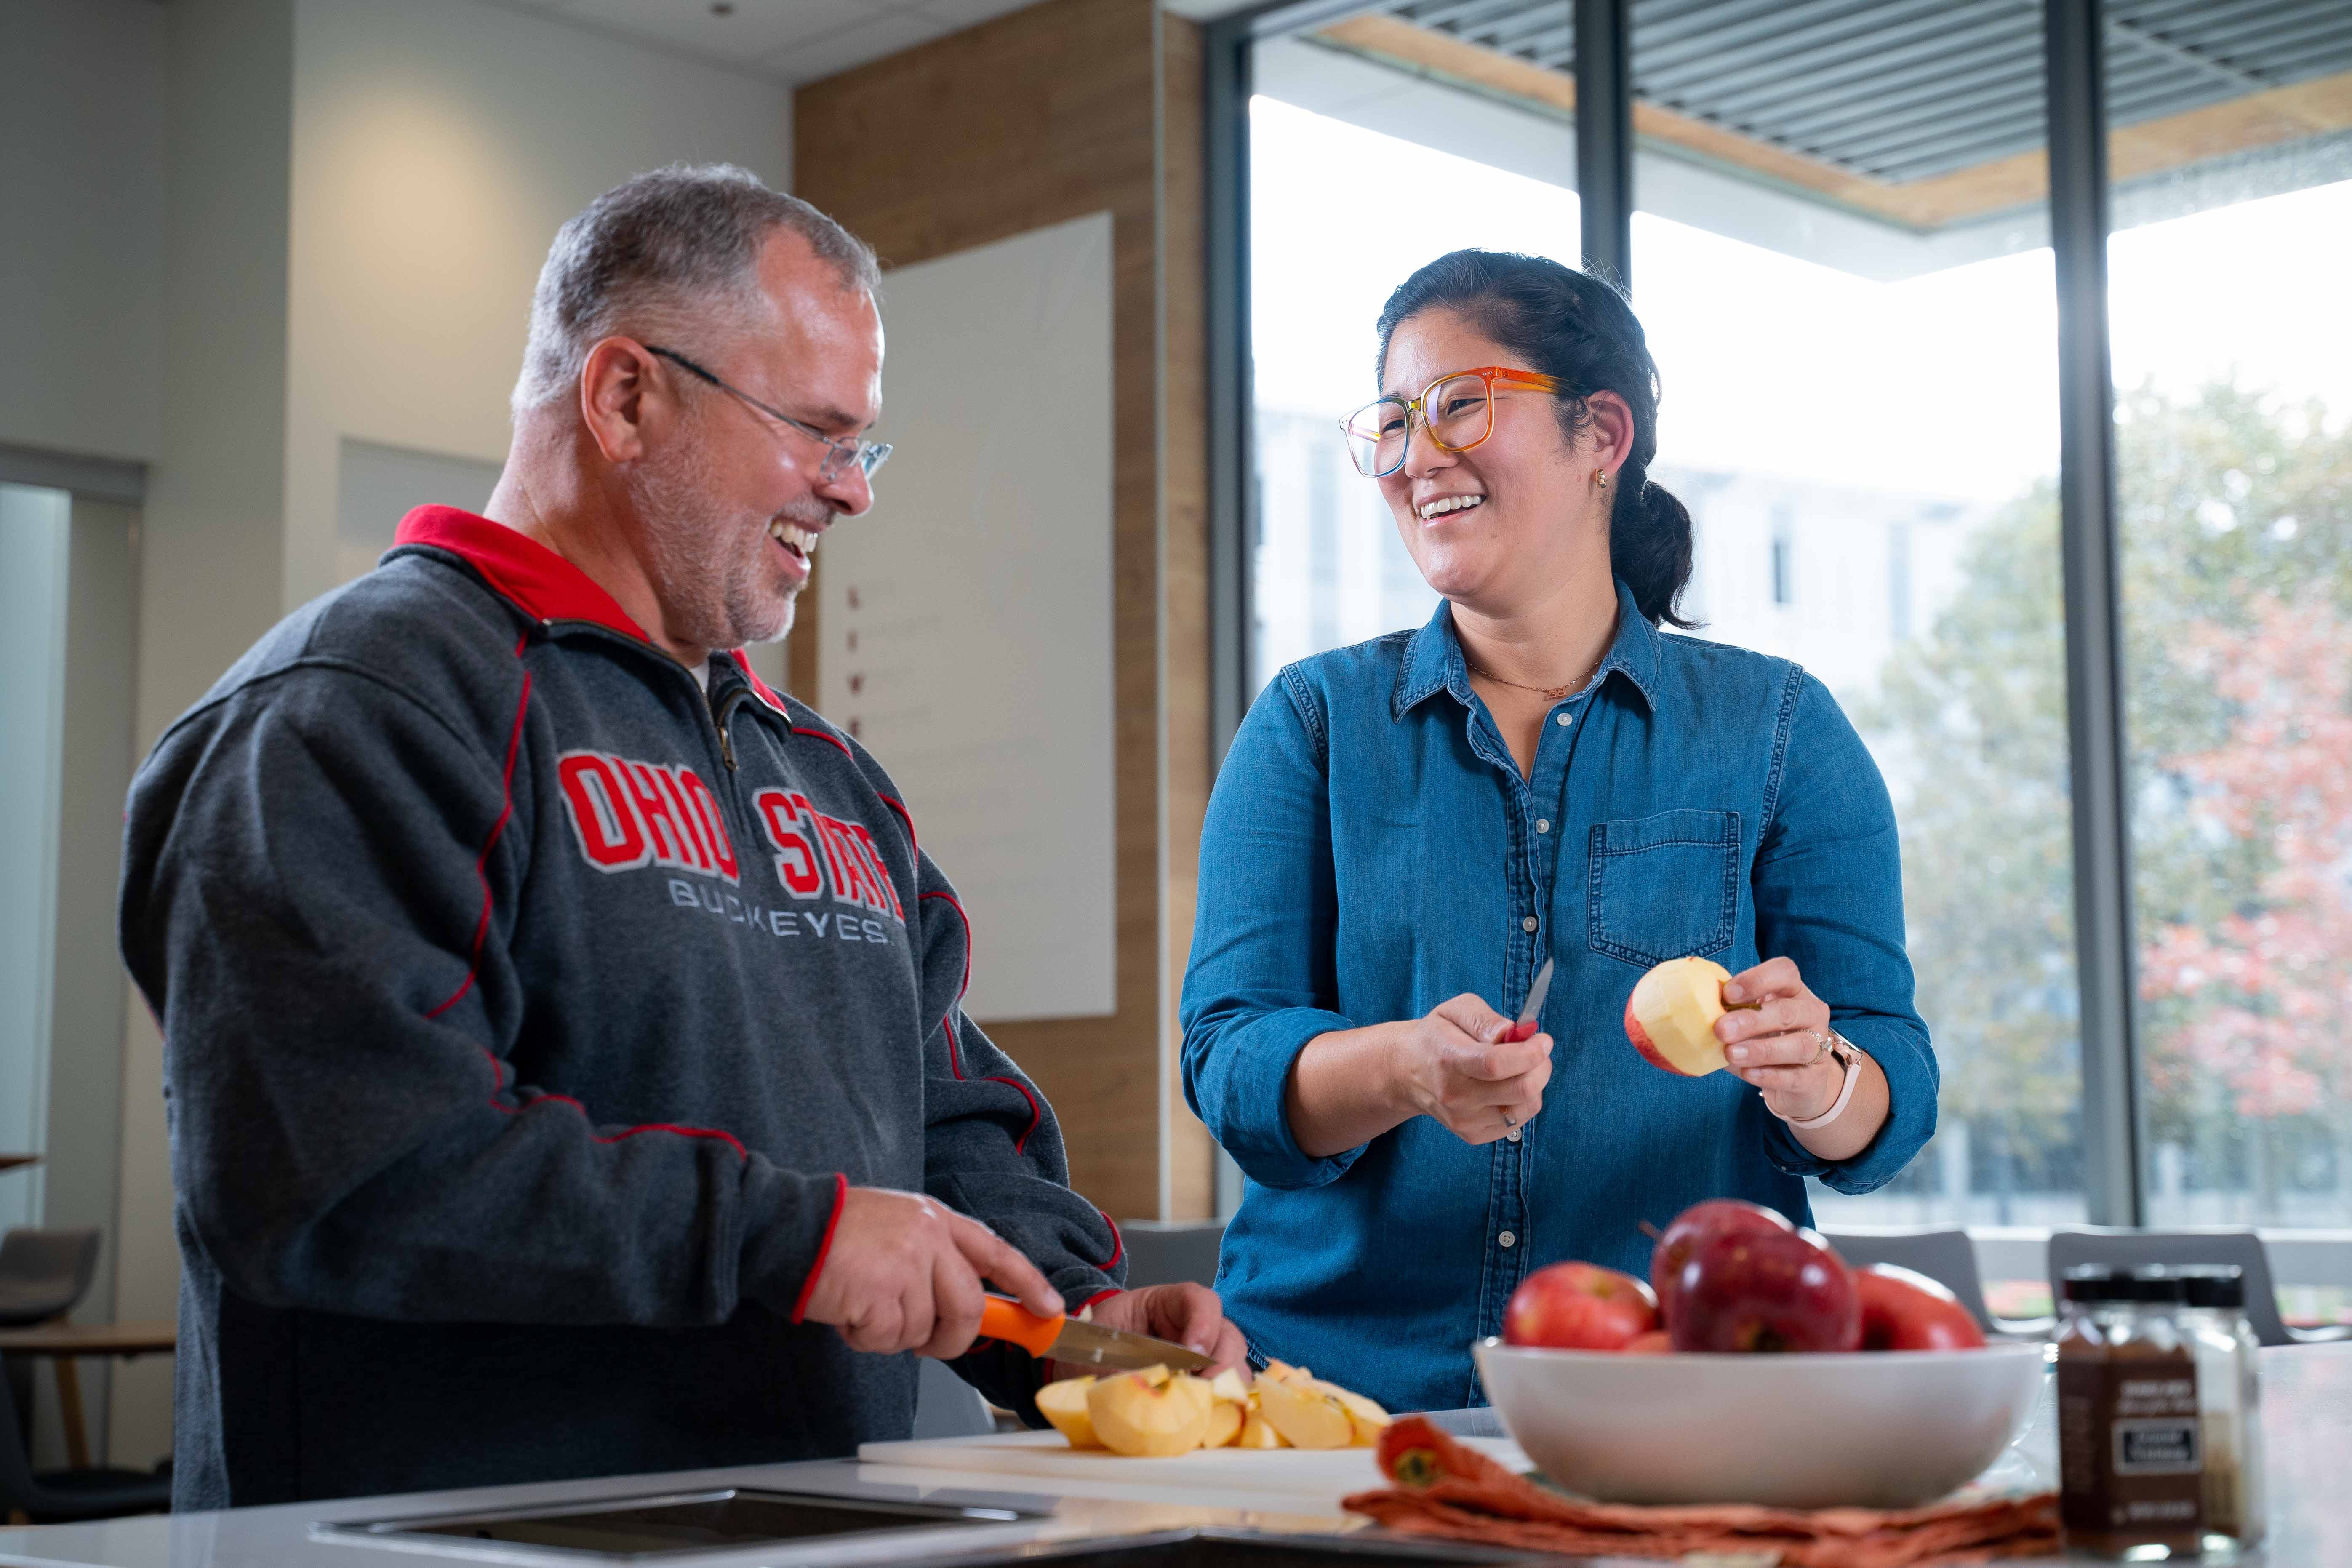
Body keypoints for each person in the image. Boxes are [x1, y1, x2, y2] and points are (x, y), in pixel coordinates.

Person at [120, 164, 1242, 1511]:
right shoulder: (350, 712)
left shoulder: (829, 778)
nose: (852, 491)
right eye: (818, 434)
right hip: (434, 1547)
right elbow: (340, 1163)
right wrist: (797, 1237)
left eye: (862, 444)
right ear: (625, 397)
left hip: (805, 1535)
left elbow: (941, 1121)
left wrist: (1076, 1312)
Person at [1180, 250, 1934, 1412]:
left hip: (1677, 1397)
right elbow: (1230, 1064)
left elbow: (1890, 1092)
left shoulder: (1778, 728)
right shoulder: (1311, 722)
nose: (1416, 456)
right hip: (1329, 1399)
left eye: (1459, 403)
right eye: (1390, 422)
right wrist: (1406, 1067)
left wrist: (1814, 1073)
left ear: (1601, 434)